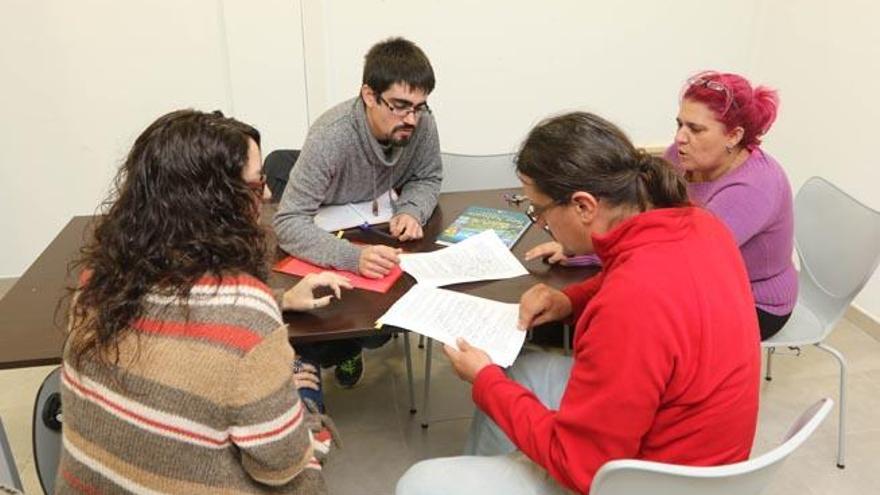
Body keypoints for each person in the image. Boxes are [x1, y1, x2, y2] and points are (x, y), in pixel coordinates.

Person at [396, 112, 761, 494]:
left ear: (584, 206)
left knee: (418, 483)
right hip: (707, 457)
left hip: (654, 482)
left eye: (540, 211)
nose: (539, 223)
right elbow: (626, 276)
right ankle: (501, 471)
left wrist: (484, 381)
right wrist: (568, 300)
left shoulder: (630, 304)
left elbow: (581, 466)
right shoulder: (702, 226)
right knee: (521, 370)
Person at [57, 109, 351, 494]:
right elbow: (279, 470)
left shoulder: (97, 282)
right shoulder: (248, 318)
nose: (266, 195)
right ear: (216, 203)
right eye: (255, 185)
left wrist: (282, 299)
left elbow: (177, 316)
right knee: (305, 449)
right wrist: (296, 405)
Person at [527, 71, 796, 341]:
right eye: (680, 124)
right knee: (583, 317)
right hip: (695, 281)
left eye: (696, 129)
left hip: (754, 302)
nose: (680, 137)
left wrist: (584, 251)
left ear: (734, 136)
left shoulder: (754, 188)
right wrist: (576, 246)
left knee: (616, 324)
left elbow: (677, 252)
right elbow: (644, 221)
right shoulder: (679, 158)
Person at [274, 37, 442, 387]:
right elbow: (289, 222)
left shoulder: (421, 122)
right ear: (368, 95)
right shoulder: (330, 136)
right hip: (329, 228)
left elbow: (427, 176)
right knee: (337, 310)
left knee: (385, 313)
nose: (411, 119)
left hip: (374, 222)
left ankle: (353, 344)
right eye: (399, 106)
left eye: (419, 106)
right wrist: (351, 257)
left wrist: (412, 209)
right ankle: (343, 350)